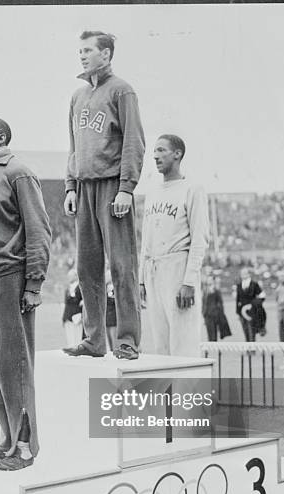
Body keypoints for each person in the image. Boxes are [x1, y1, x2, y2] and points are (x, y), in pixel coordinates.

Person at [0, 116, 51, 471]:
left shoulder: (18, 172)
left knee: (14, 366)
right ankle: (6, 438)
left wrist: (33, 284)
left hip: (9, 278)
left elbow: (40, 231)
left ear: (0, 137)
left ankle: (26, 448)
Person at [63, 30, 145, 360]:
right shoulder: (77, 96)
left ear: (107, 54)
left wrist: (127, 188)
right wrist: (70, 185)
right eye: (79, 50)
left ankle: (126, 341)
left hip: (113, 186)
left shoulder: (122, 90)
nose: (82, 55)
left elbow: (133, 142)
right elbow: (74, 147)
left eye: (88, 50)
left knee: (122, 267)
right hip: (84, 188)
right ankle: (94, 340)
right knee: (87, 268)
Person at [139, 134, 209, 357]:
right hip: (153, 269)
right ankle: (166, 393)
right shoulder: (152, 192)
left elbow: (200, 239)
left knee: (184, 343)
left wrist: (188, 281)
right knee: (161, 345)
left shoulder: (193, 188)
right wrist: (141, 280)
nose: (155, 156)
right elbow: (145, 240)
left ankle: (188, 392)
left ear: (177, 154)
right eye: (154, 152)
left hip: (178, 268)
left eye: (161, 150)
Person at [236, 268, 264, 342]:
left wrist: (253, 304)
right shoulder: (239, 285)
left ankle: (252, 348)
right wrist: (238, 312)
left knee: (252, 330)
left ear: (249, 274)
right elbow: (238, 299)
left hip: (252, 312)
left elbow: (262, 296)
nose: (243, 275)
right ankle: (247, 347)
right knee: (245, 331)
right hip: (242, 312)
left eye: (245, 273)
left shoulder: (254, 284)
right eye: (242, 274)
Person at [202, 276, 231, 341]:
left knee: (214, 333)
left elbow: (220, 303)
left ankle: (216, 348)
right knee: (209, 332)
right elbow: (203, 303)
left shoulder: (216, 290)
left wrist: (220, 314)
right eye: (208, 280)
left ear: (213, 281)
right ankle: (210, 348)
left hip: (215, 315)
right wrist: (203, 313)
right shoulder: (205, 290)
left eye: (210, 280)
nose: (208, 281)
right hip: (207, 315)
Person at [62, 268, 83, 347]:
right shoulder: (68, 288)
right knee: (69, 335)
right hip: (68, 314)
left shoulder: (80, 287)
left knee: (77, 335)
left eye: (71, 276)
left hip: (77, 314)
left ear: (75, 276)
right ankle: (70, 348)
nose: (69, 278)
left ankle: (77, 348)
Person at [105, 269, 117, 351]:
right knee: (109, 339)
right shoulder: (104, 288)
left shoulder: (115, 287)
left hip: (114, 317)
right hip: (106, 318)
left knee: (114, 339)